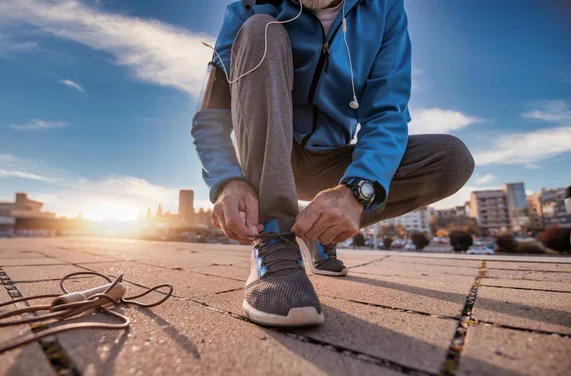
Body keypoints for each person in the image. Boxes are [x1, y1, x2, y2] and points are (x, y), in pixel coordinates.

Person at [191, 0, 474, 327]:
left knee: (451, 160)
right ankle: (276, 241)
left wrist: (356, 191)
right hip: (267, 149)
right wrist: (227, 180)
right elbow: (210, 117)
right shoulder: (247, 6)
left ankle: (318, 229)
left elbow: (386, 113)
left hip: (333, 163)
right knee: (258, 30)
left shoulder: (384, 10)